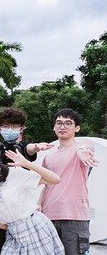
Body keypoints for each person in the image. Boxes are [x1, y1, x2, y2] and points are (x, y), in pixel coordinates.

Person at [0, 139, 64, 254]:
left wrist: (26, 163)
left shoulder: (14, 173)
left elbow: (55, 179)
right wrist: (3, 226)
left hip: (35, 228)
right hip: (13, 234)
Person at [0, 107, 53, 254]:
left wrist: (37, 147)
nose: (9, 129)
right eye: (6, 126)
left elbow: (30, 149)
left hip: (20, 210)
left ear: (21, 128)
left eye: (14, 126)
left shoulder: (22, 147)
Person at [41, 109, 98, 255]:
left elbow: (86, 148)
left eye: (68, 123)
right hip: (49, 215)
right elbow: (44, 183)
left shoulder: (84, 147)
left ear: (77, 128)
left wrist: (80, 152)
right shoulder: (49, 155)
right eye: (59, 123)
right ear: (54, 127)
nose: (62, 126)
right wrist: (39, 205)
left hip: (75, 216)